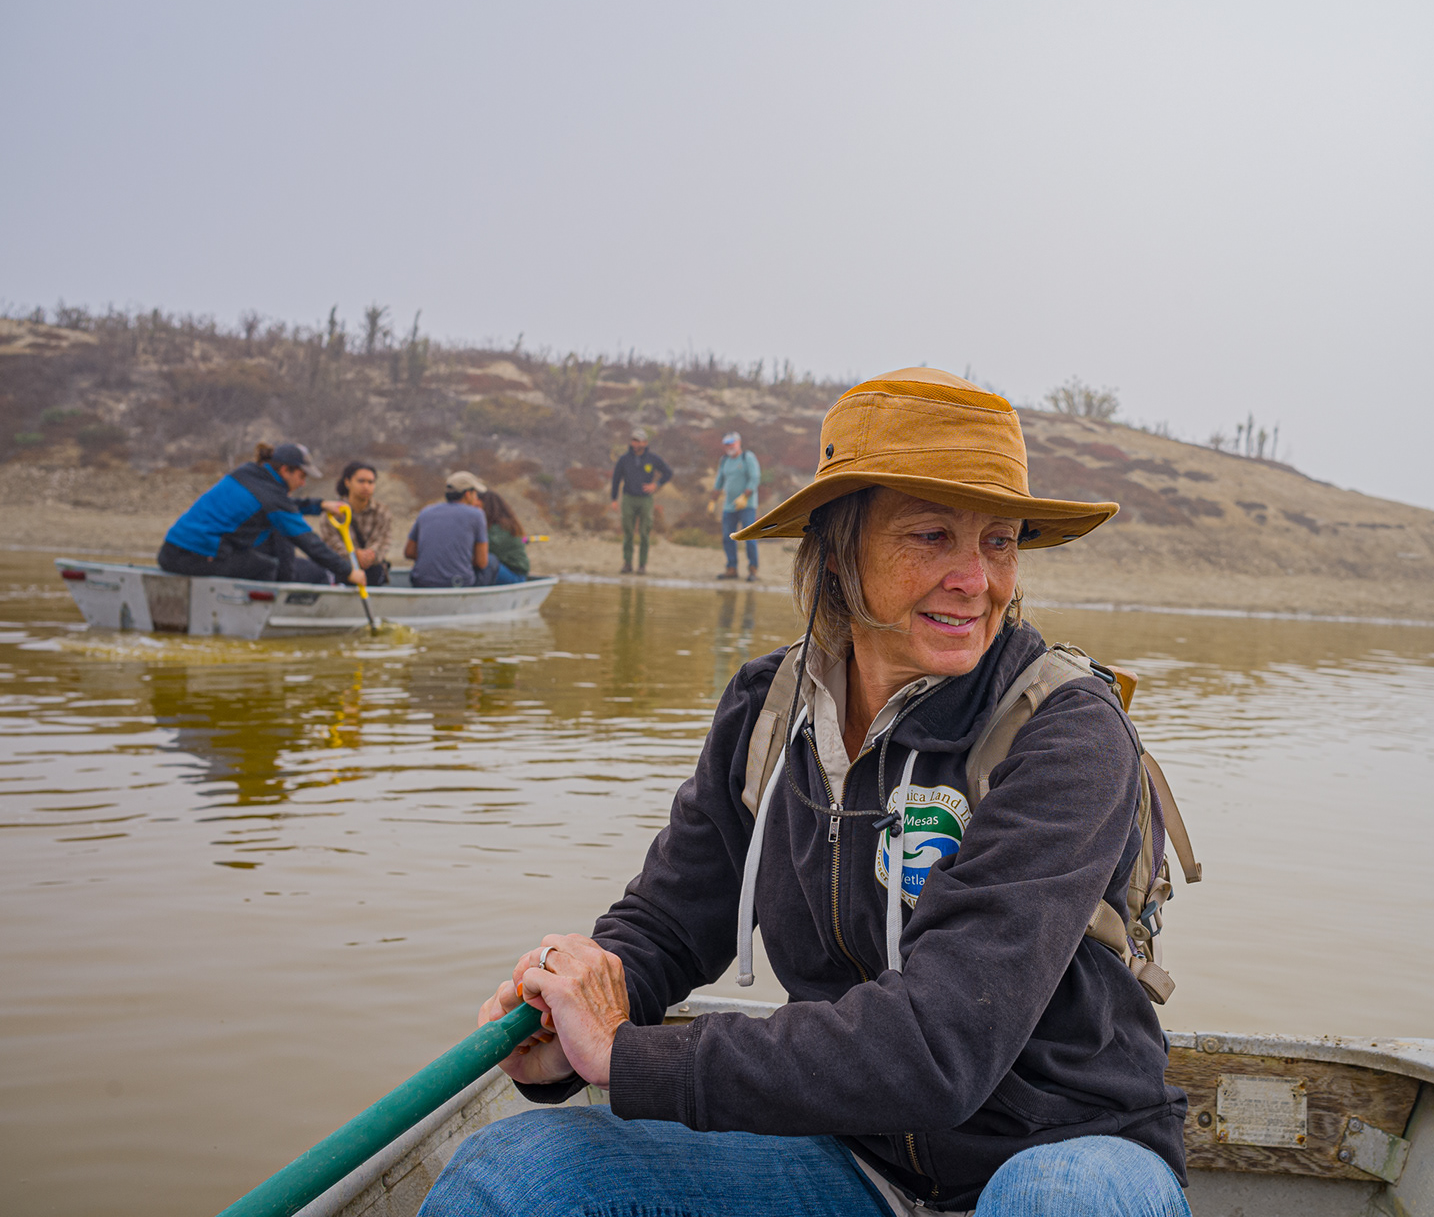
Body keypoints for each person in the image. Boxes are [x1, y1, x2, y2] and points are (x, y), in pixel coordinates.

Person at [423, 369, 1188, 1217]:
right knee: (513, 1174)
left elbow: (944, 1045)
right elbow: (673, 922)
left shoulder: (1068, 733)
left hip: (1064, 1150)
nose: (976, 579)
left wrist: (629, 1057)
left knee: (1060, 1203)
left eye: (999, 541)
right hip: (855, 1163)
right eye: (932, 536)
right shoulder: (767, 709)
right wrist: (574, 1016)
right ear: (834, 548)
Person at [159, 442, 363, 588]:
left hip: (170, 551)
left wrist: (320, 505)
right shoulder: (272, 497)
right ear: (285, 470)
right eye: (302, 476)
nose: (303, 483)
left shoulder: (248, 472)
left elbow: (280, 506)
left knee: (257, 553)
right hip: (195, 558)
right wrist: (347, 571)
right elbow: (308, 541)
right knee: (267, 567)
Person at [406, 471, 520, 588]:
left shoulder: (426, 511)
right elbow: (482, 562)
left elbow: (409, 552)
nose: (476, 497)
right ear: (468, 494)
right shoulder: (476, 515)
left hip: (420, 582)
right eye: (475, 493)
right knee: (492, 561)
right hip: (457, 584)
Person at [321, 460, 393, 586]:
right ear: (348, 482)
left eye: (370, 482)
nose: (366, 486)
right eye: (361, 481)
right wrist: (354, 555)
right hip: (341, 571)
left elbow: (383, 541)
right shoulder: (334, 511)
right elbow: (330, 543)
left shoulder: (382, 512)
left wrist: (369, 555)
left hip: (372, 574)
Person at [610, 432, 673, 575]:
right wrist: (614, 498)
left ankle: (642, 565)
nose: (635, 444)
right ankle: (627, 563)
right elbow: (616, 478)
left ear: (645, 443)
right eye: (633, 440)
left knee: (645, 532)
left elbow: (668, 472)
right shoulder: (624, 459)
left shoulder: (652, 458)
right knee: (628, 531)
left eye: (638, 441)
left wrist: (656, 485)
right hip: (628, 498)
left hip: (645, 499)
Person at [711, 429, 760, 581]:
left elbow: (755, 477)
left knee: (749, 538)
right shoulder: (724, 460)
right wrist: (713, 498)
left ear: (738, 443)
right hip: (729, 506)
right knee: (727, 537)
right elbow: (720, 479)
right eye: (726, 444)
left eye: (732, 443)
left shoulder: (748, 457)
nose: (729, 446)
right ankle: (731, 568)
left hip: (747, 505)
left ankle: (753, 569)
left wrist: (745, 496)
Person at [480, 489, 533, 580]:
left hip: (515, 575)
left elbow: (485, 549)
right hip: (509, 571)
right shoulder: (505, 524)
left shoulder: (501, 528)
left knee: (486, 561)